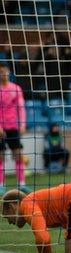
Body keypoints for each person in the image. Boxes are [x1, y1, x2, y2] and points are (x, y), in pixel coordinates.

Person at [0, 64, 29, 196]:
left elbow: (21, 108)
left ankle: (22, 184)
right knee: (0, 157)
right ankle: (1, 185)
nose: (3, 74)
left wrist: (22, 124)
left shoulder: (16, 89)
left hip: (13, 127)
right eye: (1, 72)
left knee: (18, 155)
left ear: (9, 72)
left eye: (5, 71)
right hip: (0, 128)